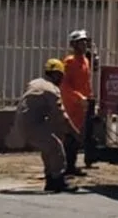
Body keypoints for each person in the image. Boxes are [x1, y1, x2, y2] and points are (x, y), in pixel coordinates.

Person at [14, 59, 80, 193]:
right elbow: (62, 116)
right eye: (61, 76)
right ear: (56, 75)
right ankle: (58, 180)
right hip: (32, 125)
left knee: (48, 148)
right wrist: (76, 134)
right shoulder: (51, 89)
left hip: (23, 123)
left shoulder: (35, 82)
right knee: (56, 147)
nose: (62, 80)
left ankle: (50, 180)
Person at [61, 29, 93, 177]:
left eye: (85, 41)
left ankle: (71, 165)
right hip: (71, 103)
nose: (84, 44)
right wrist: (78, 97)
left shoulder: (86, 61)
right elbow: (65, 85)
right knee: (70, 135)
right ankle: (67, 166)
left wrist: (89, 97)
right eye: (80, 42)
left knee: (78, 135)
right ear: (73, 45)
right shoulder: (69, 62)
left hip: (82, 104)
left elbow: (86, 83)